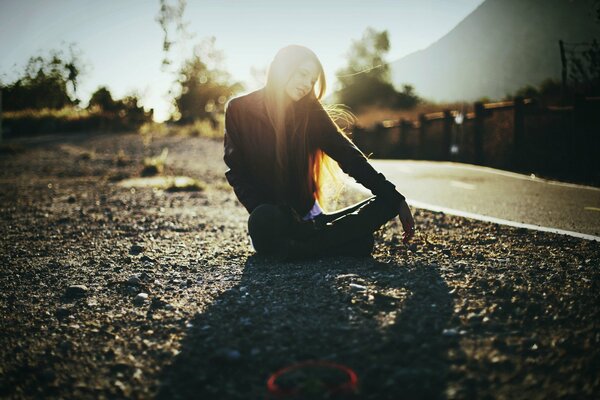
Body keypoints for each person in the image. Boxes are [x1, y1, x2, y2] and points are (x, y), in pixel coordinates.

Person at [223, 44, 415, 261]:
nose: (307, 84)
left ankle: (300, 248)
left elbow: (349, 156)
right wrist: (266, 209)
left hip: (311, 219)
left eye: (312, 80)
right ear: (282, 69)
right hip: (274, 218)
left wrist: (395, 197)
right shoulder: (239, 109)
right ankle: (328, 242)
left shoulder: (311, 112)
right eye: (303, 74)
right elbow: (236, 171)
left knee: (387, 203)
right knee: (263, 221)